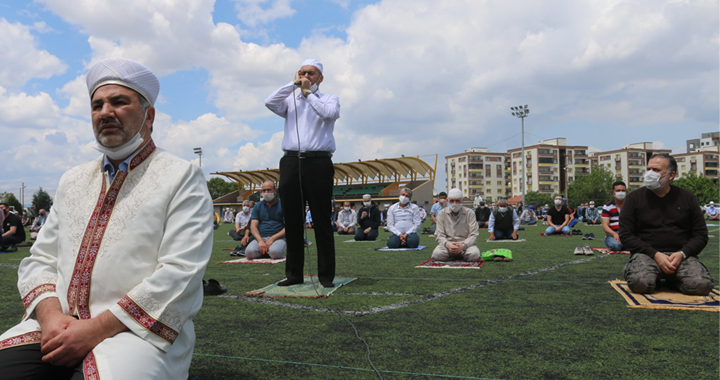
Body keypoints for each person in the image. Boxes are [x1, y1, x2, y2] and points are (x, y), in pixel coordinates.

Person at [0, 58, 213, 379]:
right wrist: (51, 318)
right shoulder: (73, 180)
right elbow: (40, 260)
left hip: (135, 334)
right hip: (56, 326)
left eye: (119, 102)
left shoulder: (181, 176)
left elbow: (180, 273)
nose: (105, 112)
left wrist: (93, 330)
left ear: (149, 115)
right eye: (97, 105)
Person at [265, 59, 338, 288]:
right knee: (293, 220)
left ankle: (326, 275)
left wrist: (308, 94)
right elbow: (269, 102)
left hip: (318, 162)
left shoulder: (328, 98)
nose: (307, 76)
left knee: (321, 219)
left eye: (312, 73)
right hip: (291, 161)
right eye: (303, 72)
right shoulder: (290, 98)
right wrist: (293, 84)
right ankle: (294, 274)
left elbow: (328, 114)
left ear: (321, 78)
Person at [620, 153, 714, 295]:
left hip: (681, 256)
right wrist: (655, 254)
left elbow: (700, 235)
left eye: (656, 170)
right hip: (647, 255)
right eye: (649, 169)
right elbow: (626, 235)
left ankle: (674, 281)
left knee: (702, 285)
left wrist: (683, 253)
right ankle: (648, 275)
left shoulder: (688, 198)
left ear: (671, 176)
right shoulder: (634, 198)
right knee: (641, 284)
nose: (650, 174)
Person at [431, 189, 481, 261]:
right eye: (452, 201)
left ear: (462, 200)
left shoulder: (470, 213)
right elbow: (439, 234)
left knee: (475, 255)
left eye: (457, 201)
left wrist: (463, 246)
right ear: (447, 200)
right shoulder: (442, 213)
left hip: (465, 245)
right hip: (447, 245)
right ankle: (458, 256)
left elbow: (474, 234)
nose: (454, 203)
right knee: (437, 254)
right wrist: (448, 244)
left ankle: (453, 256)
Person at [245, 181, 286, 260]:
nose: (266, 192)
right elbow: (253, 227)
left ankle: (268, 251)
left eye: (269, 190)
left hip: (278, 238)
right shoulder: (257, 206)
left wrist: (272, 239)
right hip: (261, 237)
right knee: (249, 253)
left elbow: (288, 227)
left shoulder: (283, 204)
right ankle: (267, 251)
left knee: (275, 252)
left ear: (275, 191)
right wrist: (260, 241)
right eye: (264, 190)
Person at [602, 181, 626, 251]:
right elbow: (605, 226)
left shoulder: (631, 205)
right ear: (613, 192)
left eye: (623, 190)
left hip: (628, 233)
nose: (621, 192)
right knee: (616, 246)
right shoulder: (607, 206)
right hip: (613, 234)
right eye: (618, 190)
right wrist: (614, 234)